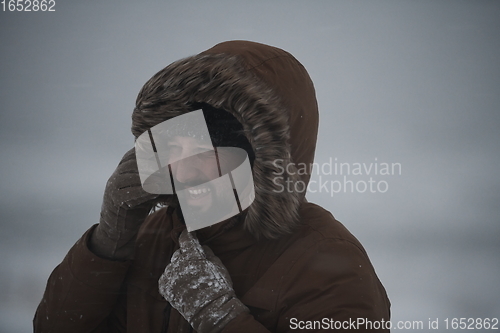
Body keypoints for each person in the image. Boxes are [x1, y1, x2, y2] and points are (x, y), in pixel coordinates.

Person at [34, 40, 390, 332]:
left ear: (261, 161)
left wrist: (221, 317)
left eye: (207, 152)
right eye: (175, 149)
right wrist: (108, 242)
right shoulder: (152, 237)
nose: (185, 170)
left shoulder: (329, 263)